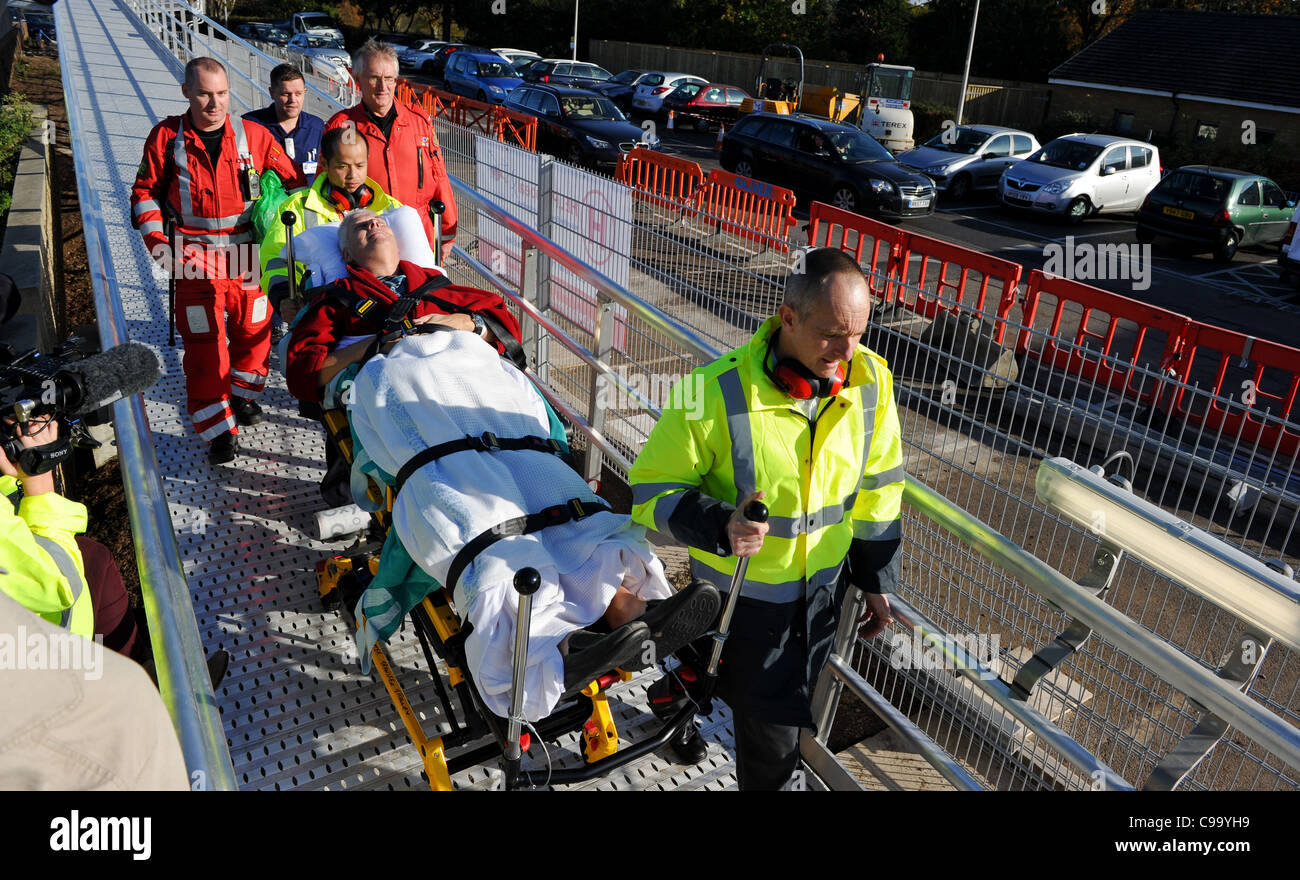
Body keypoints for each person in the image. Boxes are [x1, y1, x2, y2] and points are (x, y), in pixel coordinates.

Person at [629, 247, 905, 790]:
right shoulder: (708, 390)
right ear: (788, 318)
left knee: (727, 677)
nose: (845, 351)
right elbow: (649, 490)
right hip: (741, 600)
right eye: (830, 334)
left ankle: (674, 693)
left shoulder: (871, 382)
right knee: (773, 751)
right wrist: (719, 525)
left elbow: (880, 487)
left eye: (858, 333)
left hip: (822, 596)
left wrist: (876, 581)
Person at [131, 57, 305, 465]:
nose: (215, 103)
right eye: (205, 94)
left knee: (255, 331)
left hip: (248, 252)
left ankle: (243, 397)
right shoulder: (164, 138)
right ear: (187, 92)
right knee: (206, 347)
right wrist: (159, 245)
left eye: (222, 93)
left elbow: (294, 185)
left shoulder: (256, 136)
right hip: (194, 256)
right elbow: (144, 194)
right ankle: (218, 431)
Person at [285, 209, 513, 407]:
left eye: (380, 222)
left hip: (468, 381)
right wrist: (376, 345)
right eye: (361, 227)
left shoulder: (432, 283)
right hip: (399, 395)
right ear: (346, 254)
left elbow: (506, 328)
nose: (374, 224)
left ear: (396, 242)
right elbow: (302, 374)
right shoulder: (336, 299)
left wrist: (467, 323)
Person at [324, 39, 457, 263]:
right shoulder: (343, 126)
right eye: (374, 78)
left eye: (389, 79)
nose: (382, 87)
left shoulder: (419, 121)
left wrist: (447, 233)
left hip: (419, 235)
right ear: (357, 80)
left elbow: (439, 176)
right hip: (369, 241)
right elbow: (326, 187)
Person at [259, 126, 405, 327]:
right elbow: (276, 259)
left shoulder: (391, 208)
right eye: (343, 166)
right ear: (323, 163)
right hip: (321, 316)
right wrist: (285, 296)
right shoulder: (296, 208)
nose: (353, 175)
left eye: (360, 165)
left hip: (387, 312)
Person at [0, 414, 92, 639]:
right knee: (97, 557)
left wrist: (16, 480)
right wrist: (38, 481)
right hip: (57, 662)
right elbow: (61, 583)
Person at [242, 63, 325, 177]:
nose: (293, 100)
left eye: (298, 93)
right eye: (286, 94)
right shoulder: (251, 125)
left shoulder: (317, 127)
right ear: (272, 93)